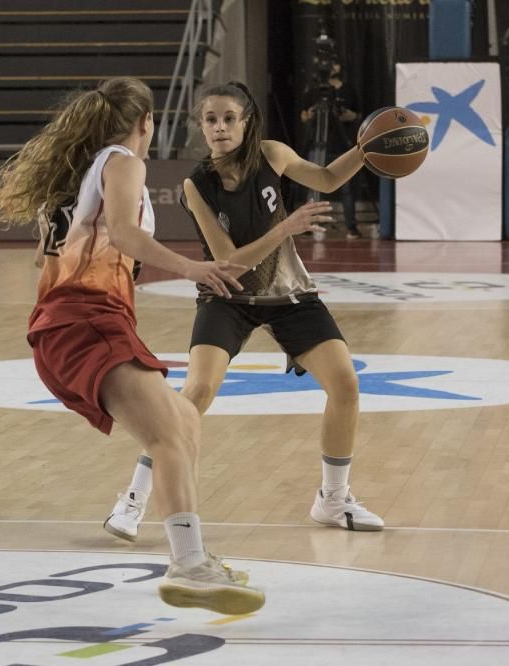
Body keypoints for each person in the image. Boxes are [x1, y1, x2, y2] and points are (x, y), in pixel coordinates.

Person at [0, 77, 264, 615]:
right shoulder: (122, 161)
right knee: (168, 435)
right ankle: (188, 565)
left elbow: (63, 255)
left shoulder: (76, 174)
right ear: (147, 123)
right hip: (84, 320)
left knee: (183, 423)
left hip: (72, 323)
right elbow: (122, 233)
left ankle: (194, 555)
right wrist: (194, 268)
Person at [104, 80, 384, 542]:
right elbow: (231, 262)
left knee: (346, 384)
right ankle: (131, 501)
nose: (220, 128)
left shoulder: (274, 154)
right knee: (195, 393)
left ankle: (333, 499)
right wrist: (287, 227)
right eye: (210, 120)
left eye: (229, 118)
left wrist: (365, 148)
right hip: (226, 295)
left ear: (246, 121)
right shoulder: (197, 185)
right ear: (201, 127)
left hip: (288, 294)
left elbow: (329, 179)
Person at [299, 62, 363, 239]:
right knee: (313, 185)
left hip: (341, 145)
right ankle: (308, 225)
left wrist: (345, 115)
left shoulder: (348, 90)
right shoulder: (314, 91)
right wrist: (311, 113)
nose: (328, 68)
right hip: (317, 144)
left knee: (346, 188)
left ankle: (351, 227)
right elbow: (303, 115)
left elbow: (358, 115)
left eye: (332, 63)